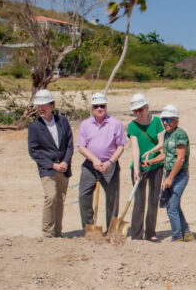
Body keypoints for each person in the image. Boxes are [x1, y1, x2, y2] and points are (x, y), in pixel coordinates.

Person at [76, 92, 126, 233]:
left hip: (110, 164)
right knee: (84, 196)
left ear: (106, 106)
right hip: (90, 165)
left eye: (102, 106)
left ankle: (112, 230)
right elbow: (81, 146)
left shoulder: (115, 123)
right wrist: (94, 160)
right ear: (92, 108)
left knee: (112, 198)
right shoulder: (85, 124)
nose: (99, 109)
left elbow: (120, 146)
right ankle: (89, 229)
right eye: (96, 106)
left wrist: (110, 162)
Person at [27, 89, 74, 238]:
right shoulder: (34, 127)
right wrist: (52, 165)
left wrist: (65, 162)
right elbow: (34, 151)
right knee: (51, 197)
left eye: (44, 105)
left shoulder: (63, 121)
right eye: (38, 105)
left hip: (64, 168)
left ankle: (57, 233)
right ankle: (47, 232)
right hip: (47, 169)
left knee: (60, 199)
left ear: (52, 105)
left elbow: (70, 144)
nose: (41, 108)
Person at [145, 105, 191, 242]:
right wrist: (151, 161)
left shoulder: (180, 134)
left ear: (176, 120)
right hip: (170, 173)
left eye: (169, 119)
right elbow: (165, 155)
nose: (165, 122)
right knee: (174, 205)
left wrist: (170, 178)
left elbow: (180, 158)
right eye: (163, 120)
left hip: (179, 174)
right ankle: (187, 234)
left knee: (171, 206)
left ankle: (176, 237)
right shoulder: (167, 134)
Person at [126, 93, 164, 241]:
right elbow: (135, 148)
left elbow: (162, 143)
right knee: (139, 201)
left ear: (147, 108)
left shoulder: (157, 122)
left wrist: (152, 154)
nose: (138, 113)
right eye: (135, 111)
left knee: (153, 200)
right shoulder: (132, 126)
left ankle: (150, 233)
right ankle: (136, 235)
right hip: (140, 167)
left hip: (156, 165)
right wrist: (136, 169)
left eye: (140, 110)